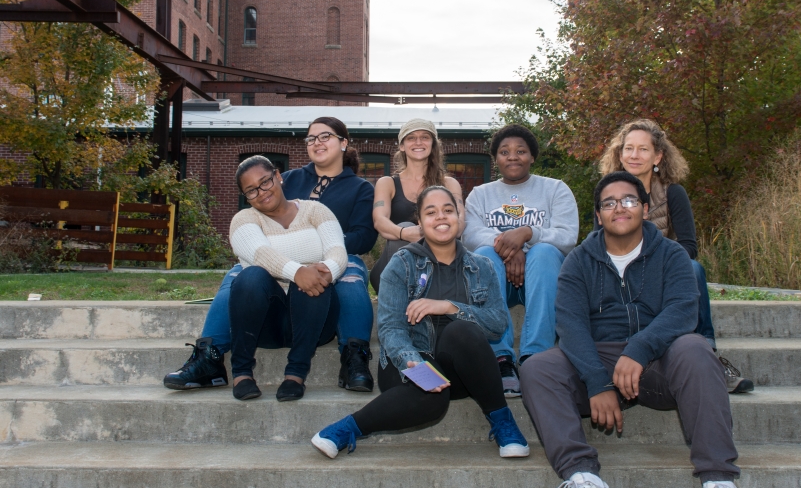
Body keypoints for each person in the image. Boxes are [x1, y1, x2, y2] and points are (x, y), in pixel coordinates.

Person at [520, 171, 744, 488]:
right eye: (608, 203)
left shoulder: (671, 255)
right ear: (598, 215)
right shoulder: (578, 261)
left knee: (696, 348)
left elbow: (683, 310)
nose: (618, 208)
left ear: (644, 208)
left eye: (627, 200)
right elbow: (571, 326)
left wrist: (639, 349)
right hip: (601, 356)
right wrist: (597, 381)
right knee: (538, 367)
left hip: (660, 361)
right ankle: (585, 484)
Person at [310, 186, 531, 459]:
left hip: (460, 370)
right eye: (431, 212)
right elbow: (390, 327)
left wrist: (449, 307)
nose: (441, 217)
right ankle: (346, 428)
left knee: (462, 331)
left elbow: (498, 324)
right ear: (420, 223)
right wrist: (412, 362)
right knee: (432, 397)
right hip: (407, 361)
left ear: (459, 218)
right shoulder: (401, 264)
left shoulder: (481, 266)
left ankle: (502, 421)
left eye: (448, 210)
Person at [163, 117, 378, 394]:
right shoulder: (288, 179)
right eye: (311, 138)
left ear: (343, 142)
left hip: (334, 257)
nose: (317, 143)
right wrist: (292, 254)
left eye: (325, 136)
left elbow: (364, 237)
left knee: (350, 276)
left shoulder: (360, 188)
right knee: (240, 274)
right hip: (275, 263)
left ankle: (354, 357)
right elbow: (262, 229)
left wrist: (325, 245)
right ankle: (210, 354)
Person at [600, 119, 753, 394]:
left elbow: (689, 245)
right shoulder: (607, 193)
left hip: (665, 270)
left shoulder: (673, 193)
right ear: (619, 154)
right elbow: (600, 243)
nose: (634, 155)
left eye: (643, 149)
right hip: (621, 271)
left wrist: (654, 262)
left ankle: (709, 354)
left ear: (658, 156)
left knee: (693, 268)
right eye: (629, 148)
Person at [462, 124, 579, 398]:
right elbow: (469, 235)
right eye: (505, 152)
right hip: (497, 277)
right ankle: (501, 358)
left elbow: (567, 236)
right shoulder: (480, 194)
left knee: (546, 251)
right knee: (483, 254)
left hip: (541, 278)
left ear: (532, 156)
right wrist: (511, 247)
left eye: (520, 151)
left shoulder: (555, 189)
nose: (512, 157)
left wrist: (528, 233)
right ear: (496, 158)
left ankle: (535, 357)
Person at [227, 156, 345, 401]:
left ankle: (296, 374)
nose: (261, 192)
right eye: (251, 190)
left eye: (265, 182)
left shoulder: (315, 210)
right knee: (251, 276)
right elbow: (260, 254)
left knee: (315, 276)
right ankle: (241, 373)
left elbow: (337, 250)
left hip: (314, 317)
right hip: (265, 324)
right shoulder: (244, 219)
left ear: (278, 176)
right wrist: (298, 272)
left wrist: (323, 270)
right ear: (245, 196)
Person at [369, 118, 465, 292]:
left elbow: (459, 225)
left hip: (438, 265)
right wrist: (404, 233)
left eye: (425, 137)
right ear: (402, 146)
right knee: (404, 230)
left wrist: (425, 235)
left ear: (433, 144)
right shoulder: (387, 183)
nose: (418, 142)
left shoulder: (450, 184)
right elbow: (379, 221)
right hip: (394, 268)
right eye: (411, 138)